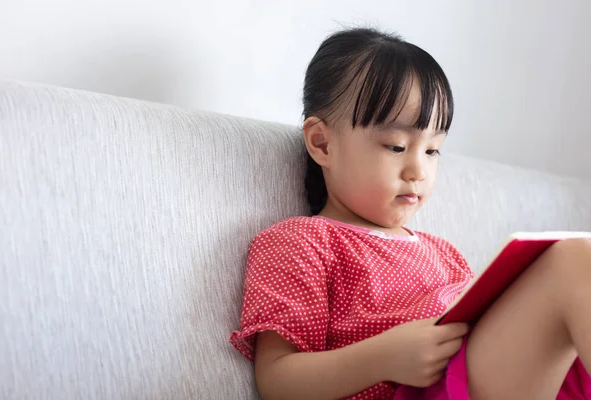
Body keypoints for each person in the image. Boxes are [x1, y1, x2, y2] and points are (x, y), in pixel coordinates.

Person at [229, 27, 591, 399]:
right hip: (415, 390)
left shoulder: (444, 253)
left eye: (433, 151)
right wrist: (382, 358)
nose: (418, 171)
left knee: (574, 264)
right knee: (572, 261)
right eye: (397, 146)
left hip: (477, 376)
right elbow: (276, 380)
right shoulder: (300, 242)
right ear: (322, 143)